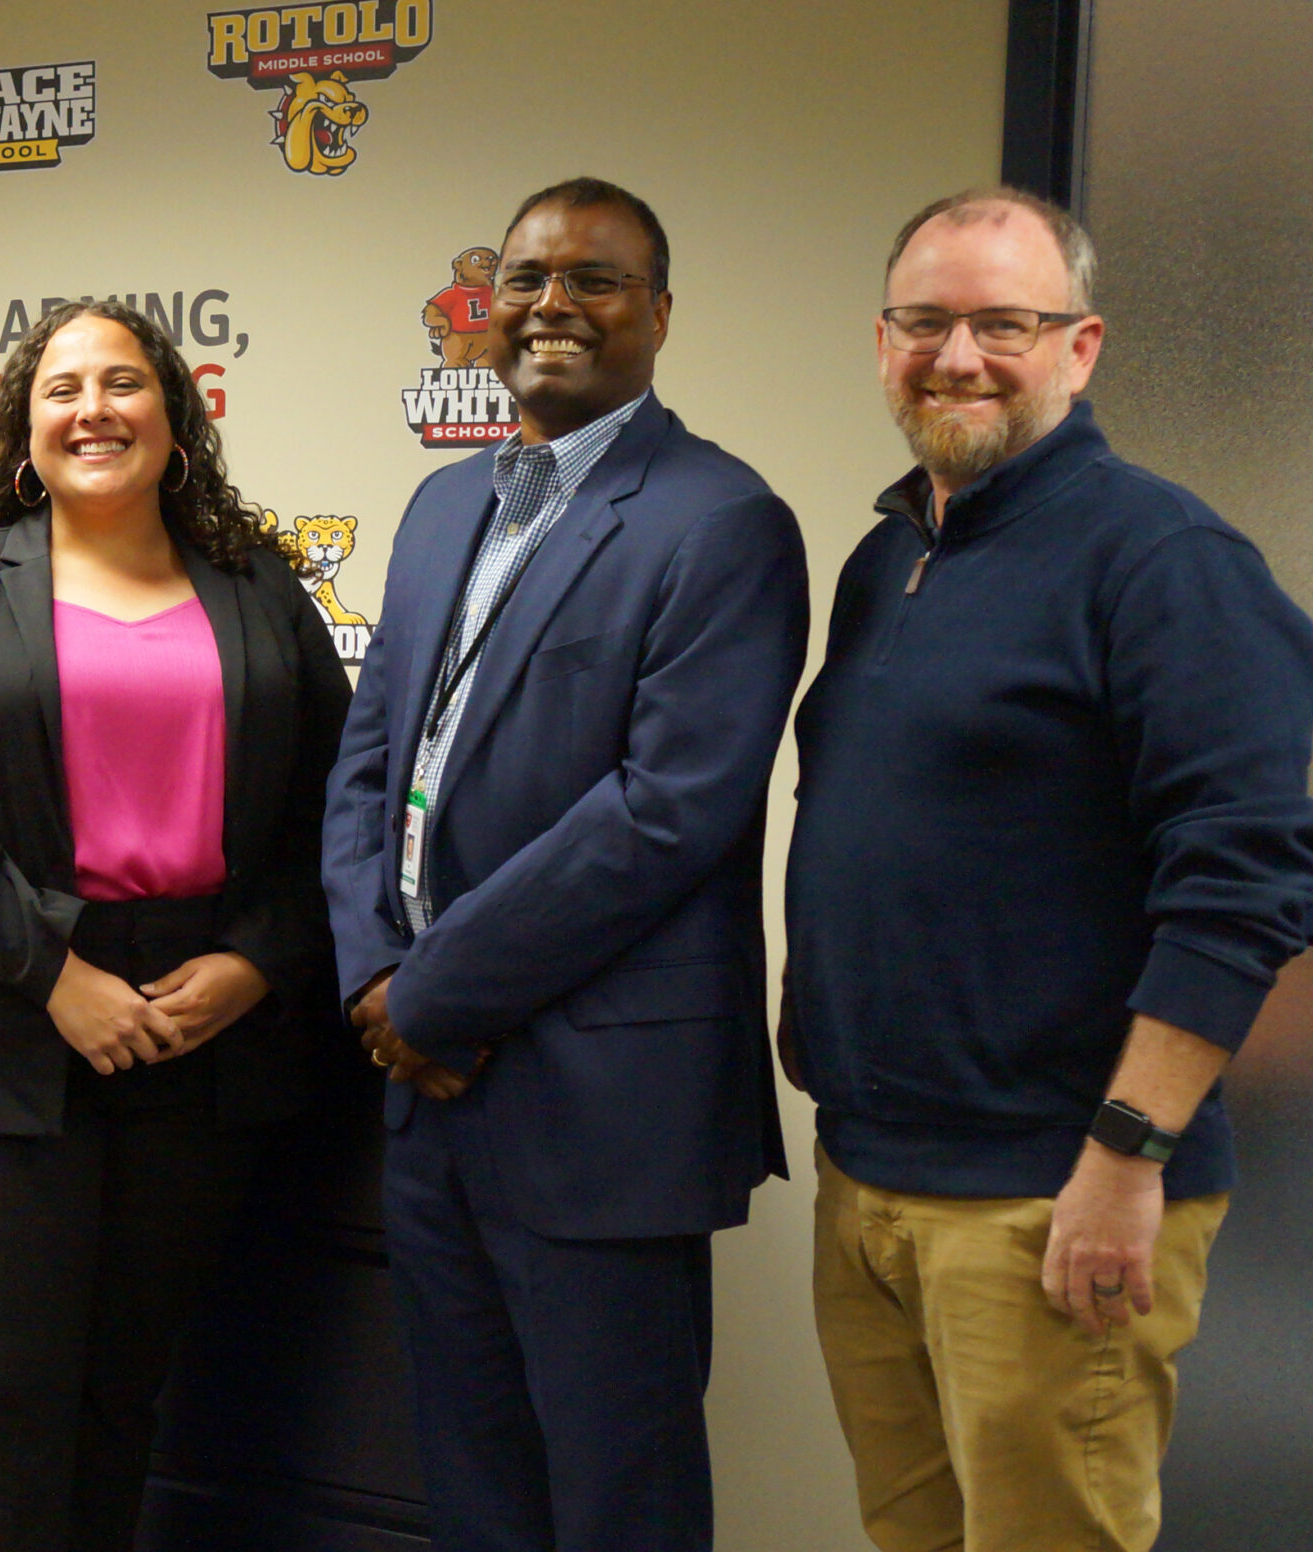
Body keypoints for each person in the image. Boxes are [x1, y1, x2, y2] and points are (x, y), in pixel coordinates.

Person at [785, 187, 1313, 1552]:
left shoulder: (1164, 561)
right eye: (925, 323)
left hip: (1052, 1193)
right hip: (875, 1178)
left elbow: (1247, 878)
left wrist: (1127, 1155)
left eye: (1002, 324)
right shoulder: (892, 555)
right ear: (883, 338)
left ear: (1079, 348)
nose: (957, 357)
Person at [320, 177, 808, 1552]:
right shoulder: (436, 508)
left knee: (617, 1504)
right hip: (426, 1104)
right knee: (474, 1492)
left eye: (595, 279)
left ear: (659, 313)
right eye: (528, 277)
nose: (553, 305)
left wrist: (430, 998)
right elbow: (370, 759)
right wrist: (372, 967)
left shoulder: (721, 522)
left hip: (599, 1111)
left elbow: (665, 812)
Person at [0, 299, 350, 1552]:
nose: (93, 408)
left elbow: (334, 806)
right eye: (62, 387)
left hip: (194, 1040)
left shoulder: (256, 584)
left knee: (124, 1395)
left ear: (176, 421)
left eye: (124, 382)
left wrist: (255, 962)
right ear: (22, 426)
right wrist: (52, 972)